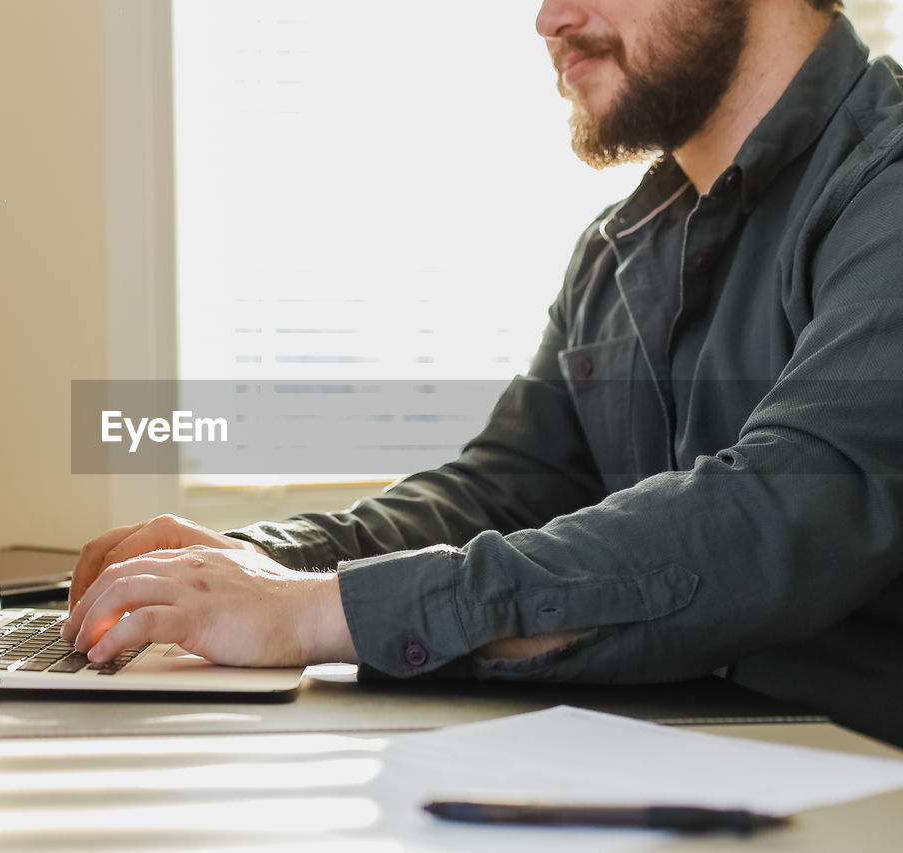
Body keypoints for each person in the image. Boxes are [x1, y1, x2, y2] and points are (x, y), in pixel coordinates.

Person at [63, 0, 903, 744]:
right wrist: (253, 563)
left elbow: (787, 502)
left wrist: (316, 611)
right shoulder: (620, 251)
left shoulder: (884, 189)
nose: (548, 19)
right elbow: (506, 487)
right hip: (680, 761)